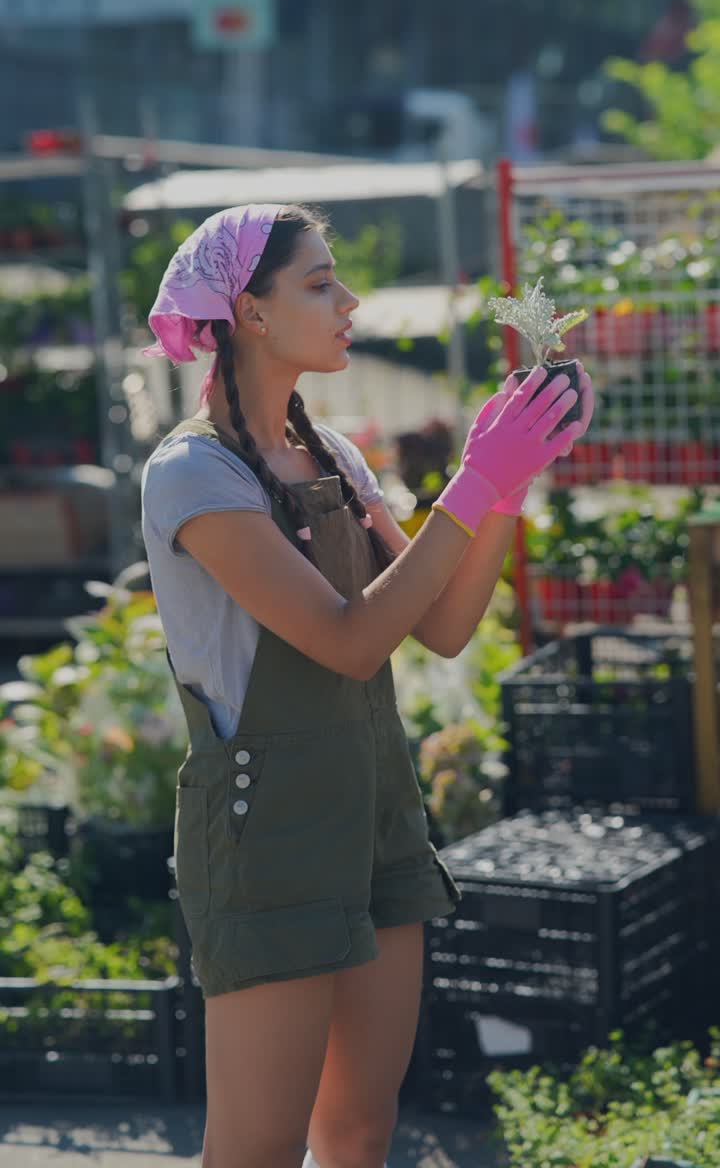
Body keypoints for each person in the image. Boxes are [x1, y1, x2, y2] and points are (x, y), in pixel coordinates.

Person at [140, 203, 594, 1168]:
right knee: (256, 1150)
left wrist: (506, 488)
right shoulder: (192, 474)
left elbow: (441, 623)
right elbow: (348, 643)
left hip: (376, 807)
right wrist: (469, 484)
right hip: (267, 838)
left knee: (359, 1134)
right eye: (319, 282)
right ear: (248, 313)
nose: (349, 300)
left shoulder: (335, 456)